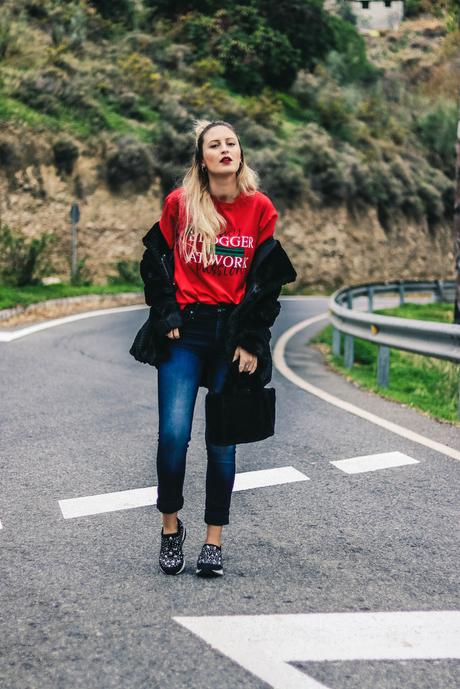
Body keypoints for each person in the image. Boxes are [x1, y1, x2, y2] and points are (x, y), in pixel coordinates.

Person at [136, 119, 297, 577]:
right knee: (173, 436)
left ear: (240, 153)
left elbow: (265, 284)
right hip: (184, 332)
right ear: (201, 159)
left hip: (231, 336)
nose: (225, 149)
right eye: (214, 144)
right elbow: (154, 262)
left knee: (222, 444)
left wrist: (251, 340)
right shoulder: (180, 204)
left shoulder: (260, 208)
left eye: (231, 143)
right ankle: (170, 530)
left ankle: (213, 540)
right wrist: (165, 312)